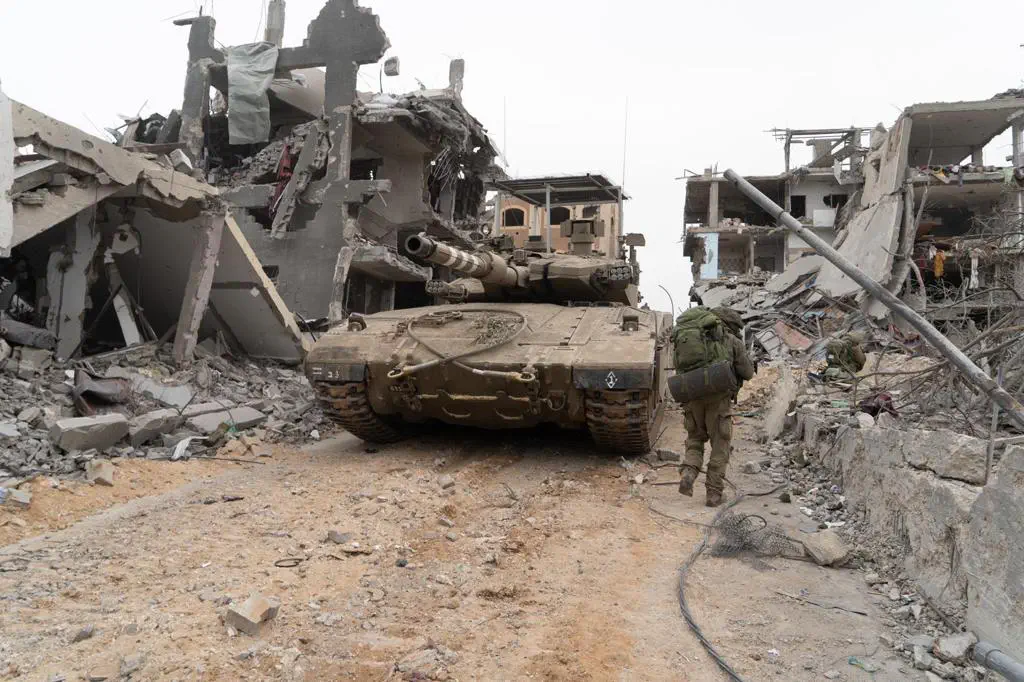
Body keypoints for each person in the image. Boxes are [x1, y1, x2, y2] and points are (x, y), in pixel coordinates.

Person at [678, 307, 754, 507]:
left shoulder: (693, 337)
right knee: (720, 445)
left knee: (695, 439)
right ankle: (713, 493)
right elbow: (747, 373)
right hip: (718, 400)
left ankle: (688, 473)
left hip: (692, 396)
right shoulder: (732, 341)